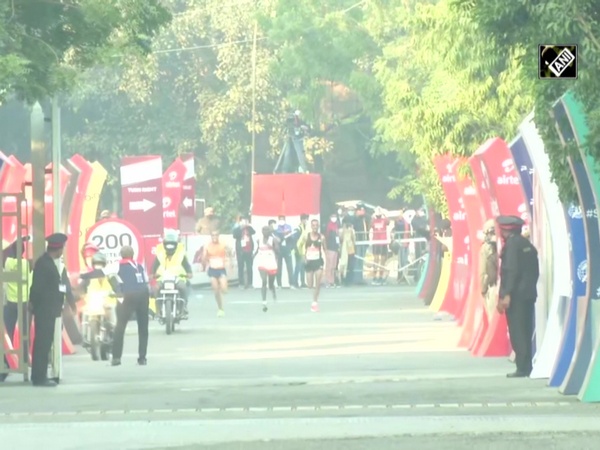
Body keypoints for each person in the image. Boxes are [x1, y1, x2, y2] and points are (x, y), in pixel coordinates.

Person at [29, 233, 76, 387]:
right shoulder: (44, 265)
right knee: (42, 344)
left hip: (50, 309)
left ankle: (39, 375)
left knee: (44, 343)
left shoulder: (50, 263)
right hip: (44, 310)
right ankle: (39, 377)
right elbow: (37, 288)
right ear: (58, 249)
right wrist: (33, 304)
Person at [496, 215, 539, 378]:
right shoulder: (526, 244)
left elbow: (510, 271)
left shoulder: (512, 246)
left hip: (516, 296)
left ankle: (522, 368)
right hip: (528, 295)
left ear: (505, 230)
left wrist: (506, 294)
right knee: (526, 330)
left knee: (517, 331)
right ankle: (526, 366)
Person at [111, 246, 150, 367]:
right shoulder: (139, 266)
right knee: (143, 327)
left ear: (121, 255)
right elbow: (145, 280)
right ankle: (142, 358)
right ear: (132, 255)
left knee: (120, 327)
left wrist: (117, 291)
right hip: (143, 295)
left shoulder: (117, 265)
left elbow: (112, 279)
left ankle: (116, 357)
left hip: (127, 295)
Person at [1, 237, 31, 382]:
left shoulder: (8, 263)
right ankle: (25, 361)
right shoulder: (27, 265)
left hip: (10, 304)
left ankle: (5, 364)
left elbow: (5, 253)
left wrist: (16, 240)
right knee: (25, 334)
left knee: (8, 336)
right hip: (25, 303)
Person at [152, 230, 192, 315]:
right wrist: (152, 274)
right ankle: (158, 309)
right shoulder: (160, 253)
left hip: (178, 278)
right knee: (156, 288)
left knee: (183, 287)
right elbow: (154, 266)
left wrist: (189, 273)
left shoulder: (181, 253)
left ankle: (183, 306)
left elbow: (187, 266)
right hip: (163, 278)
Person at [203, 231, 228, 317]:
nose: (214, 237)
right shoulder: (207, 246)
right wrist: (204, 264)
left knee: (224, 289)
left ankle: (221, 286)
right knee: (215, 290)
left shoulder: (223, 244)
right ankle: (220, 308)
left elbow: (229, 252)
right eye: (213, 235)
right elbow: (204, 257)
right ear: (211, 236)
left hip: (221, 269)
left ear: (218, 236)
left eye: (216, 235)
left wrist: (229, 261)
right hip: (212, 270)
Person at [255, 226, 279, 312]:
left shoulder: (273, 240)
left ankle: (273, 291)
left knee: (270, 283)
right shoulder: (259, 240)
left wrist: (272, 246)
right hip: (262, 262)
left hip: (271, 263)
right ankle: (264, 301)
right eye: (263, 230)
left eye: (267, 230)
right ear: (261, 231)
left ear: (269, 232)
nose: (265, 232)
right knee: (264, 281)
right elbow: (258, 248)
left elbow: (278, 251)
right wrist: (254, 255)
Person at [305, 219, 326, 312]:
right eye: (313, 225)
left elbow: (325, 249)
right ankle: (313, 299)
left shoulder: (322, 237)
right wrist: (303, 257)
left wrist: (327, 263)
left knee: (317, 283)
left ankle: (315, 302)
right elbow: (301, 246)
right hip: (309, 262)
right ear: (311, 226)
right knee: (309, 285)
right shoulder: (306, 236)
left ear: (318, 226)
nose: (315, 227)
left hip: (318, 262)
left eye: (316, 225)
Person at [479, 219, 498, 316]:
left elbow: (483, 271)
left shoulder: (486, 248)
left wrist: (483, 288)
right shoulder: (506, 244)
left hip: (493, 287)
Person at [232, 215, 255, 289]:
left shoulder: (249, 228)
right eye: (243, 221)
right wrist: (241, 227)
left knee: (249, 267)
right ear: (240, 221)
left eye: (246, 221)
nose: (245, 222)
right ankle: (241, 283)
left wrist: (248, 226)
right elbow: (235, 235)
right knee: (241, 267)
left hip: (248, 250)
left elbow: (253, 232)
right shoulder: (237, 228)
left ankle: (250, 283)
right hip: (241, 251)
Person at [370, 207, 389, 285]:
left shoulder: (384, 220)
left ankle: (381, 276)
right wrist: (373, 215)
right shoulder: (373, 220)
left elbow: (388, 222)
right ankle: (374, 277)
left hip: (383, 242)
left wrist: (383, 213)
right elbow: (370, 225)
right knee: (376, 260)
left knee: (382, 260)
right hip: (376, 242)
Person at [274, 215, 295, 288]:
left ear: (285, 220)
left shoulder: (288, 227)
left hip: (287, 248)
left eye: (283, 219)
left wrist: (291, 247)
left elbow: (292, 237)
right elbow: (276, 238)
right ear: (278, 220)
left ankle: (291, 284)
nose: (281, 221)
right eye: (280, 219)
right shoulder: (276, 229)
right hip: (279, 249)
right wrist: (282, 235)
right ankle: (279, 284)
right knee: (279, 267)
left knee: (290, 267)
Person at [352, 204, 369, 284]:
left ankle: (360, 278)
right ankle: (356, 278)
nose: (363, 212)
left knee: (361, 261)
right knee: (357, 260)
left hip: (364, 241)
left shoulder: (364, 219)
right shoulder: (355, 219)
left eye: (364, 211)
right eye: (361, 210)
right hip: (358, 242)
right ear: (357, 211)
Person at [293, 214, 309, 288]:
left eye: (306, 219)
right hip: (298, 250)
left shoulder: (305, 228)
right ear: (302, 219)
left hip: (304, 250)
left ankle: (302, 282)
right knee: (298, 267)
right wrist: (296, 249)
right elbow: (295, 239)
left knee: (303, 267)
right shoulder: (298, 228)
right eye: (305, 219)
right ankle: (295, 283)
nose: (306, 221)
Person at [324, 213, 340, 288]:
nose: (334, 218)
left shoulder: (336, 225)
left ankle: (332, 281)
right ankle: (328, 281)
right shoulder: (328, 225)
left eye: (335, 217)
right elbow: (326, 236)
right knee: (329, 265)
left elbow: (338, 236)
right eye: (333, 217)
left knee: (333, 266)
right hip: (330, 247)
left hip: (335, 248)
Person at [339, 220, 356, 286]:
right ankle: (342, 278)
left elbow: (353, 239)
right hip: (343, 249)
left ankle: (349, 280)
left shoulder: (352, 230)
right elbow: (341, 239)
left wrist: (351, 231)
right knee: (343, 263)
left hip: (350, 248)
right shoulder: (341, 230)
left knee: (350, 265)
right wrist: (343, 230)